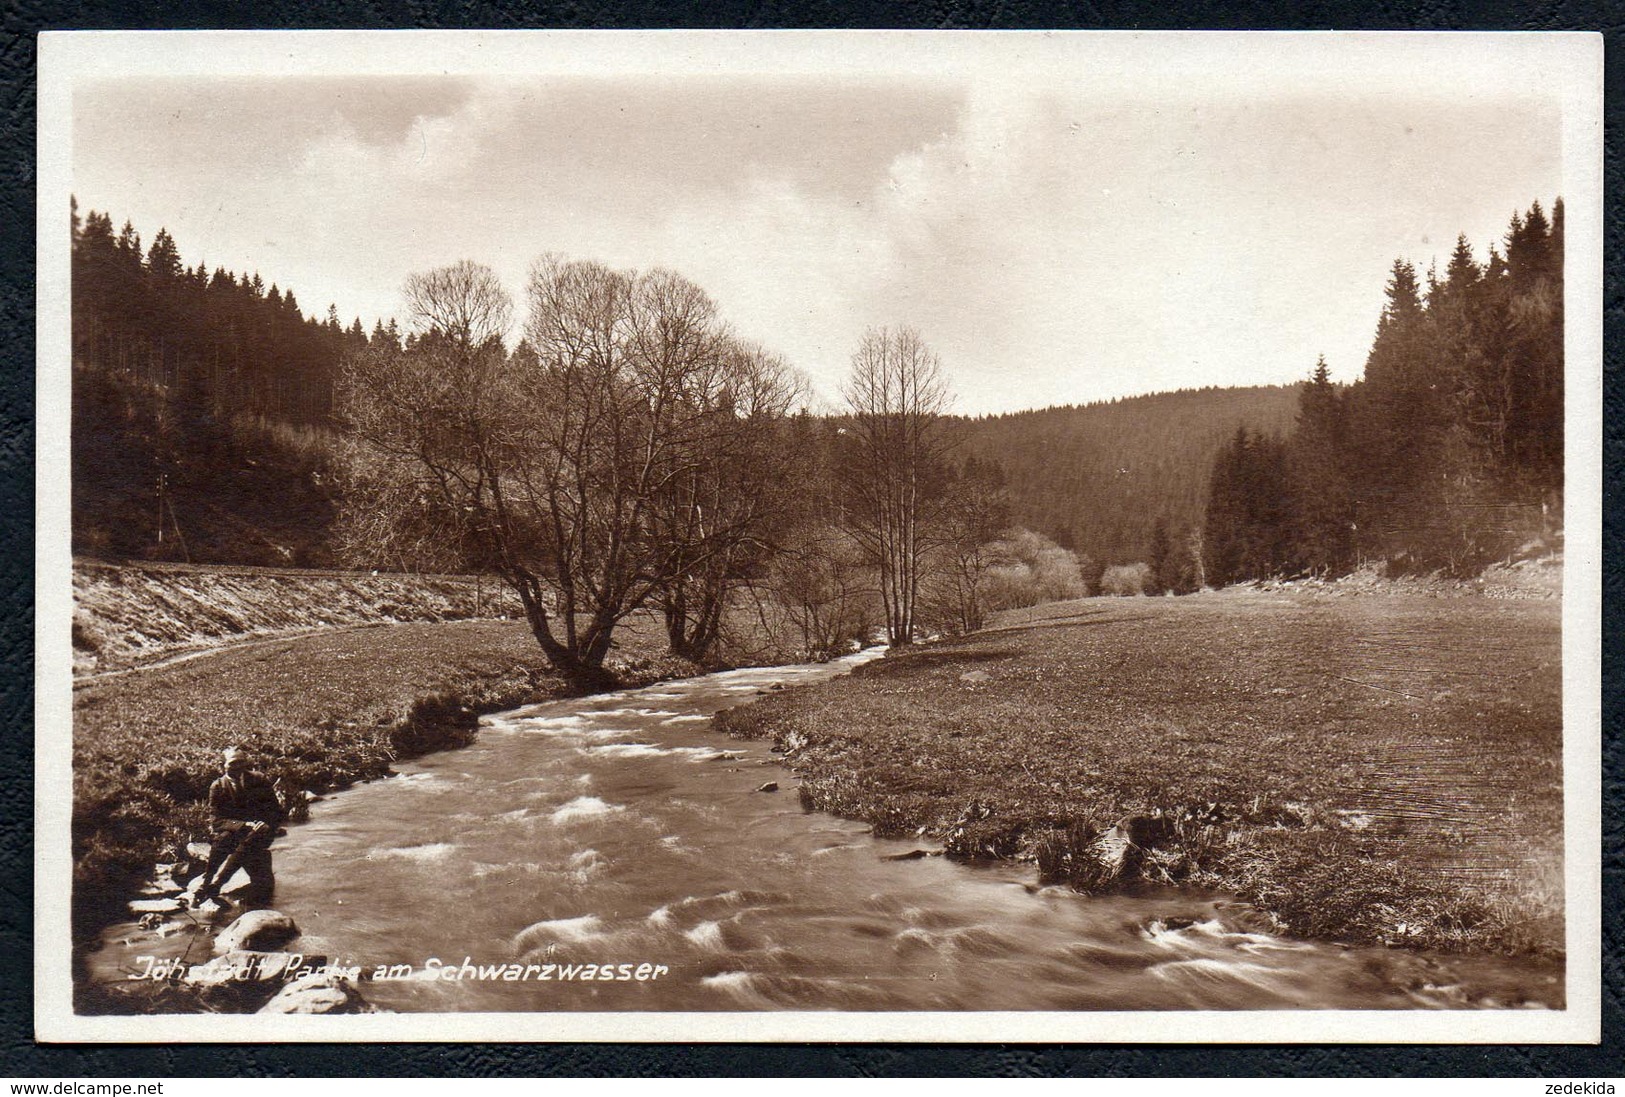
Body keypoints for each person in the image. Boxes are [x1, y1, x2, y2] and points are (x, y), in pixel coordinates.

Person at [193, 746, 285, 905]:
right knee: (222, 841)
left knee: (252, 839)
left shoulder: (258, 780)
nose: (238, 767)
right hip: (236, 831)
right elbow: (216, 821)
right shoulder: (218, 786)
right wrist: (244, 825)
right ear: (223, 765)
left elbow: (276, 810)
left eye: (241, 762)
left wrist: (266, 823)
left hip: (261, 832)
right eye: (233, 763)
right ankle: (207, 881)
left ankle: (218, 883)